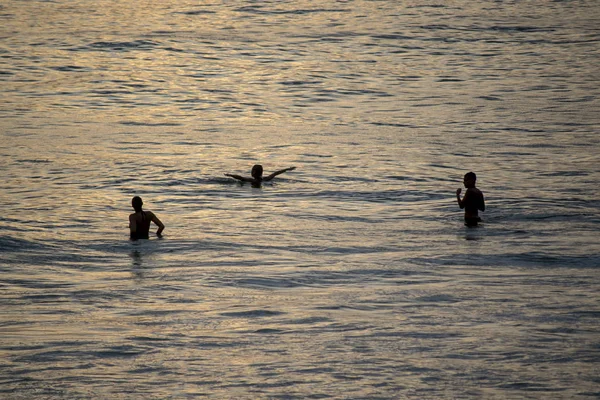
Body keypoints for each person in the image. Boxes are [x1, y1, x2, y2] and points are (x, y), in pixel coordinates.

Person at [225, 164, 296, 187]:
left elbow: (240, 178)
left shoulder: (251, 180)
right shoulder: (266, 179)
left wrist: (230, 175)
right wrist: (287, 169)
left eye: (252, 170)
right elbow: (275, 173)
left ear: (254, 172)